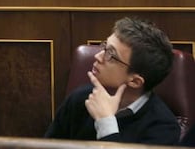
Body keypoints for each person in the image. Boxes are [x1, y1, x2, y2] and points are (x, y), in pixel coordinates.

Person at [45, 17, 180, 145]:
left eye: (111, 54)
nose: (98, 56)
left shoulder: (163, 128)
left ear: (135, 81)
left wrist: (105, 123)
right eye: (104, 47)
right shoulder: (81, 98)